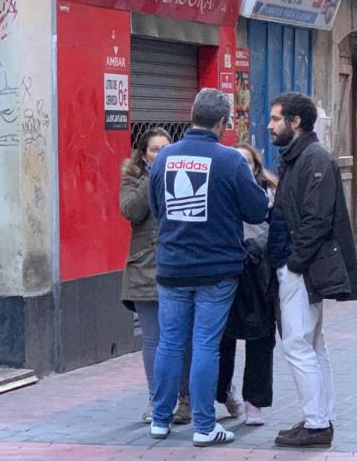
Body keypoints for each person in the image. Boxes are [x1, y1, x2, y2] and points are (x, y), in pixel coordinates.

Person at [147, 88, 269, 446]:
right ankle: (203, 426)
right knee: (205, 345)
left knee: (170, 343)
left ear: (191, 115)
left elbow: (157, 209)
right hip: (216, 271)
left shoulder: (164, 157)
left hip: (171, 267)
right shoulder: (230, 160)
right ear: (221, 122)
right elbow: (257, 210)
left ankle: (159, 419)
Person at [268, 92, 357, 448]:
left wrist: (293, 264)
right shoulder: (298, 157)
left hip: (300, 270)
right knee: (312, 344)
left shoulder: (314, 159)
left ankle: (318, 424)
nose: (270, 125)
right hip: (297, 266)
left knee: (297, 344)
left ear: (296, 122)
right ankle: (319, 417)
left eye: (276, 119)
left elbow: (316, 219)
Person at [119, 128, 192, 426]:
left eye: (166, 149)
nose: (160, 154)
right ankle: (157, 399)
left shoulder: (184, 175)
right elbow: (131, 210)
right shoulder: (133, 179)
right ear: (143, 154)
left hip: (179, 266)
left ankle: (185, 399)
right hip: (145, 268)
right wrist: (154, 175)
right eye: (154, 150)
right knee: (154, 338)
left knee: (182, 338)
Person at [216, 143, 278, 427]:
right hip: (225, 268)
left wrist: (256, 248)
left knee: (261, 338)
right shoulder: (219, 189)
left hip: (258, 271)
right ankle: (222, 392)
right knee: (221, 339)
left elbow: (278, 229)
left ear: (256, 166)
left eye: (248, 162)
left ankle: (255, 402)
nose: (242, 167)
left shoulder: (269, 192)